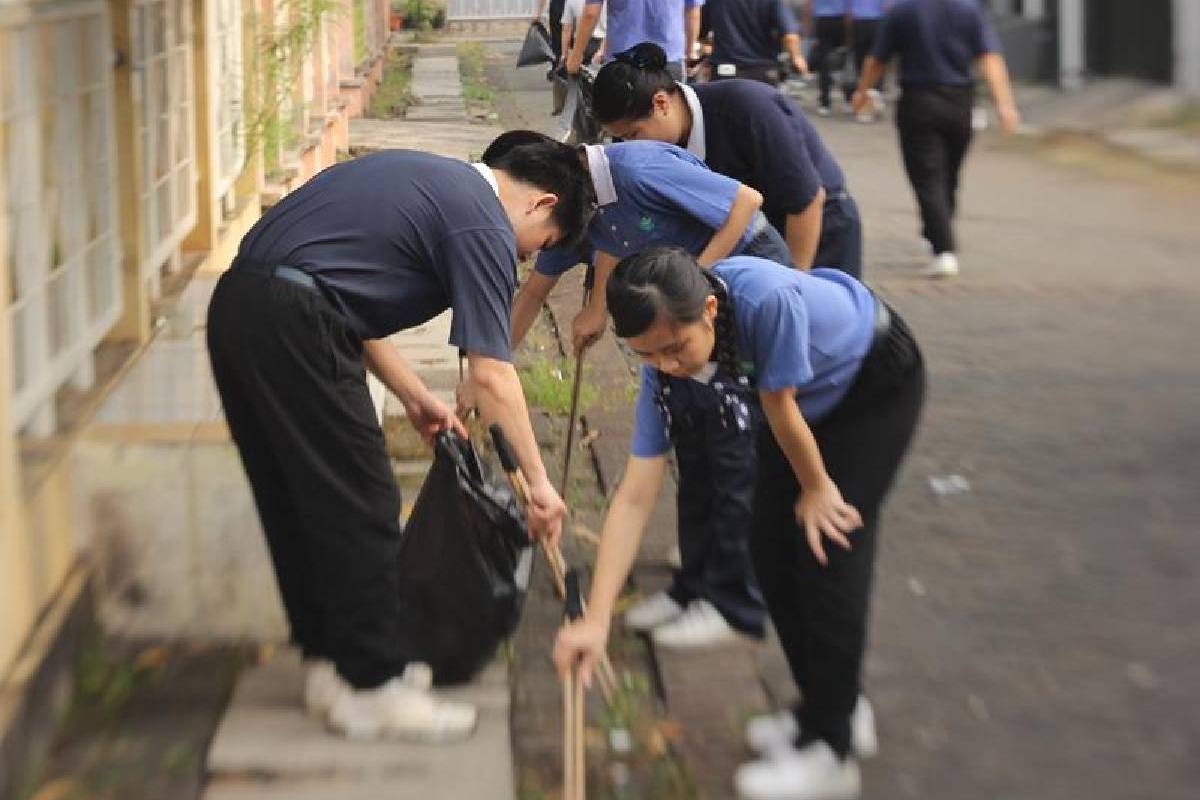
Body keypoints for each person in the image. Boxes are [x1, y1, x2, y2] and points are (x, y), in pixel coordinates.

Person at [206, 135, 593, 742]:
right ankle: (376, 686)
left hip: (239, 306)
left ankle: (333, 663)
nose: (522, 262)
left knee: (297, 501)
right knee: (364, 503)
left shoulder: (427, 178)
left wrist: (415, 395)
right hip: (296, 323)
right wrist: (540, 488)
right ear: (542, 204)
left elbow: (330, 286)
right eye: (538, 248)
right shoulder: (483, 224)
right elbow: (491, 375)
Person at [554, 246, 925, 800]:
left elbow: (780, 407)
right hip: (796, 410)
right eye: (647, 356)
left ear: (708, 310)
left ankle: (833, 749)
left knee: (827, 552)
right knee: (767, 550)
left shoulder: (764, 302)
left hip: (869, 386)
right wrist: (597, 618)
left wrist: (820, 490)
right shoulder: (665, 366)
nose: (668, 367)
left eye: (675, 349)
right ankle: (831, 705)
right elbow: (634, 495)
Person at [593, 42, 863, 276]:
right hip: (761, 232)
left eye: (633, 134)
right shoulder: (668, 144)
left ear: (661, 103)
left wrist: (796, 282)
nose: (631, 147)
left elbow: (806, 200)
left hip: (819, 226)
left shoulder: (747, 109)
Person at [515, 136, 792, 357]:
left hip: (750, 259)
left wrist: (693, 279)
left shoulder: (638, 171)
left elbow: (747, 201)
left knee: (766, 379)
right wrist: (597, 307)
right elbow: (613, 242)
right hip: (699, 286)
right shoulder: (582, 200)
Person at [852, 0, 1020, 278]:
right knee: (949, 173)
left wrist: (862, 91)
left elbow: (878, 58)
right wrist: (1005, 104)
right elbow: (989, 57)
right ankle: (937, 231)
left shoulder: (903, 11)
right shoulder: (969, 10)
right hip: (960, 102)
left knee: (927, 176)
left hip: (918, 101)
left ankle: (942, 248)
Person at [565, 0, 705, 80]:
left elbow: (591, 13)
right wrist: (690, 51)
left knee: (623, 123)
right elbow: (693, 13)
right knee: (669, 122)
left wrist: (576, 55)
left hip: (623, 59)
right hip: (669, 58)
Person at [706, 0, 807, 86]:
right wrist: (796, 58)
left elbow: (701, 31)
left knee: (722, 107)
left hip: (724, 71)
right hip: (761, 72)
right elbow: (789, 36)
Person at [806, 0, 850, 116]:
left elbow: (809, 5)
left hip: (822, 20)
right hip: (840, 20)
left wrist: (809, 27)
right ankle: (848, 99)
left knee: (824, 63)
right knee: (844, 59)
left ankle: (825, 103)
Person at [848, 0, 889, 122]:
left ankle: (863, 102)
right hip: (878, 22)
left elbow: (848, 10)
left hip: (858, 22)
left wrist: (848, 34)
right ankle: (875, 100)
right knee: (878, 62)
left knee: (861, 64)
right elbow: (887, 6)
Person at [562, 0, 607, 66]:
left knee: (574, 72)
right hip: (601, 43)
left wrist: (564, 56)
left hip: (579, 42)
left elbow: (566, 30)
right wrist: (602, 51)